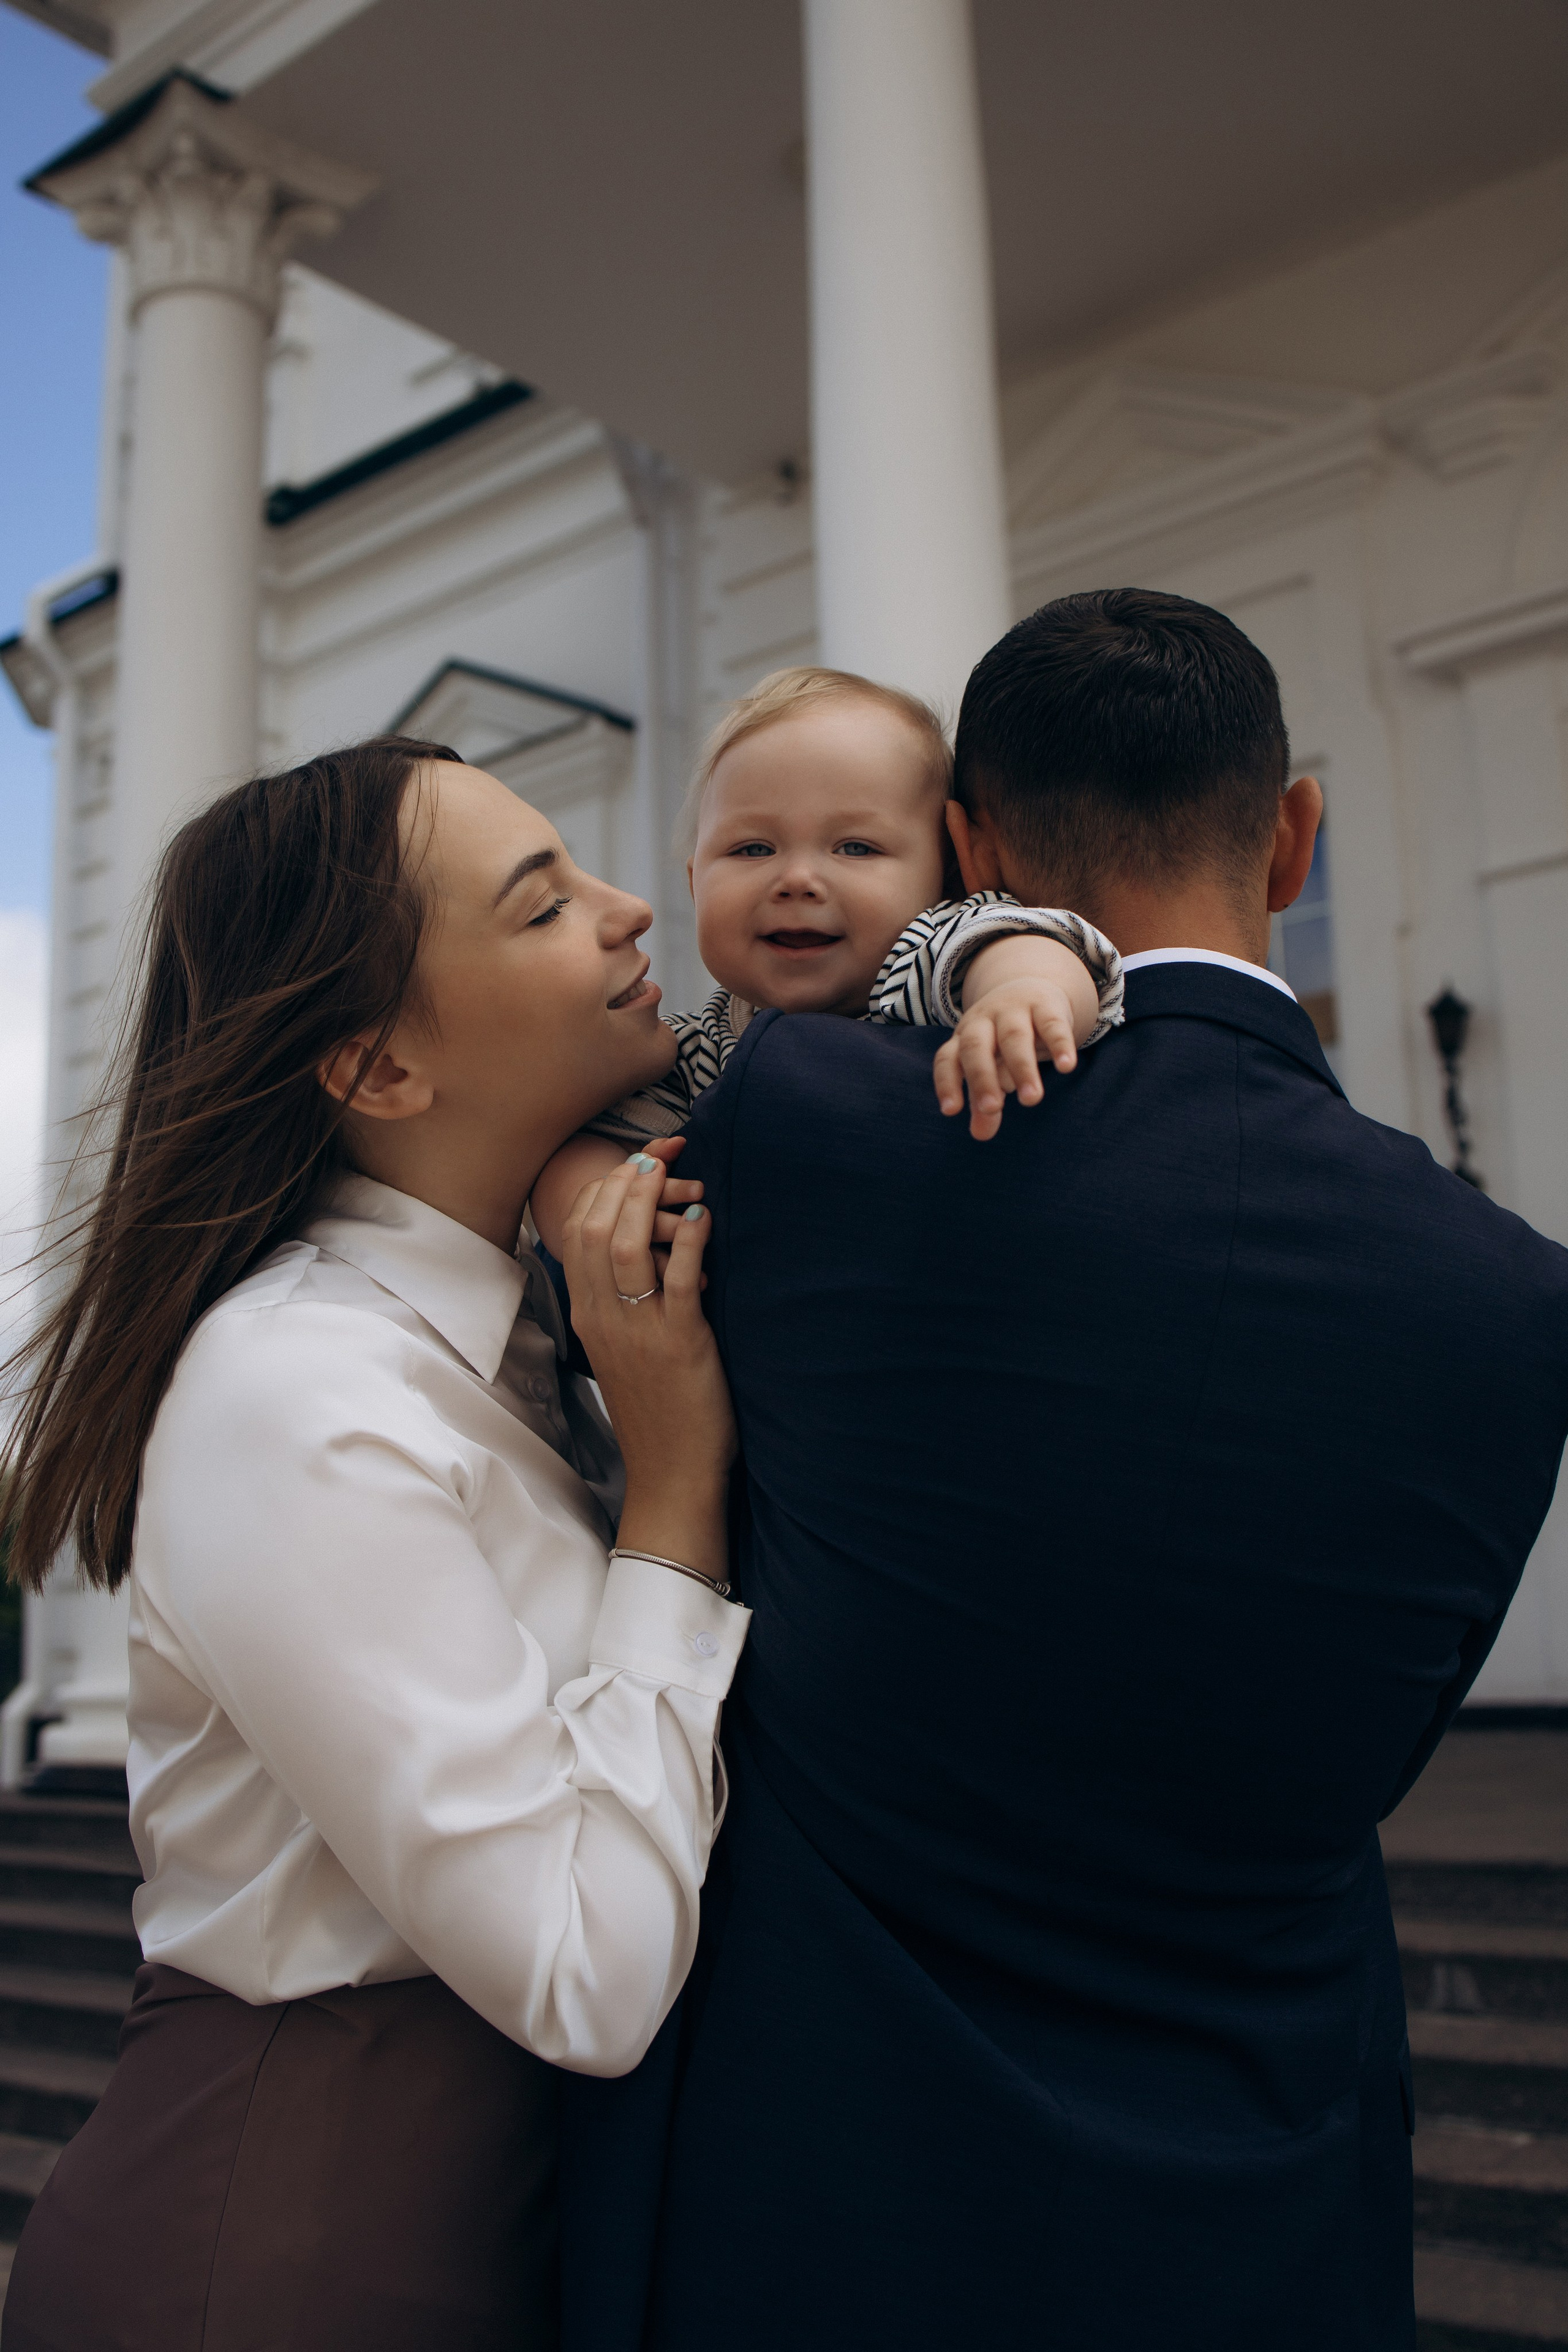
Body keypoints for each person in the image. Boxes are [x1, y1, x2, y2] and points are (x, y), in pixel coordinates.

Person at [557, 590, 1568, 2352]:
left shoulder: (798, 1118)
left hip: (824, 2196)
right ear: (1296, 828)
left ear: (971, 852)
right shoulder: (1513, 1299)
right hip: (1269, 2214)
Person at [0, 736, 749, 2352]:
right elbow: (585, 1973)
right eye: (543, 904)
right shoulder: (301, 1392)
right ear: (377, 1069)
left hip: (495, 2227)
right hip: (293, 2253)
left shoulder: (536, 1329)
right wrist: (679, 1495)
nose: (634, 912)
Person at [529, 664, 1125, 1259]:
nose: (797, 879)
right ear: (694, 884)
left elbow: (1030, 942)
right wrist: (592, 1208)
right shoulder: (694, 1051)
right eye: (752, 848)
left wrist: (1019, 996)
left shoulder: (926, 958)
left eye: (855, 847)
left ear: (945, 873)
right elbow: (587, 1140)